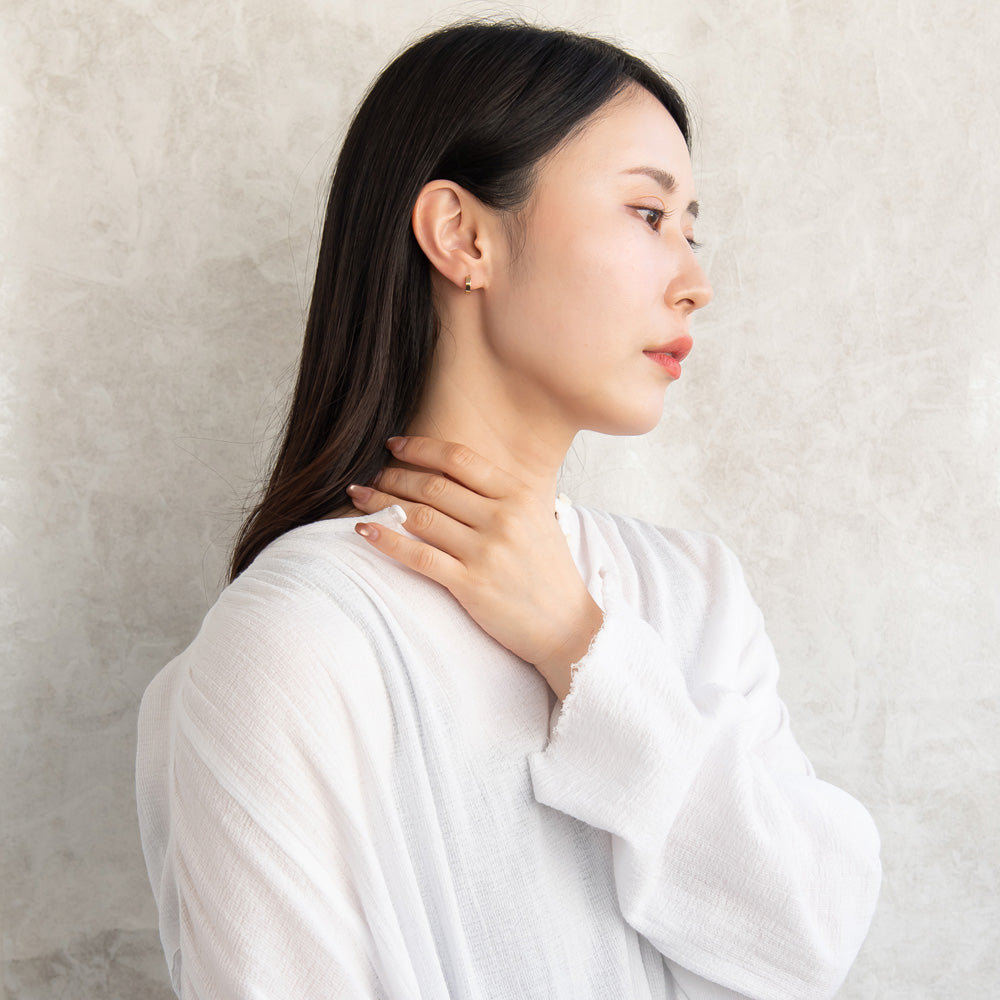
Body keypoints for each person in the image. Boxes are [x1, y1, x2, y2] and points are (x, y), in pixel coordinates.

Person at [135, 19, 881, 1000]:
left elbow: (809, 942)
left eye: (690, 229)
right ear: (463, 235)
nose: (695, 284)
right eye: (647, 214)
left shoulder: (692, 591)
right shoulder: (298, 636)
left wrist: (580, 645)